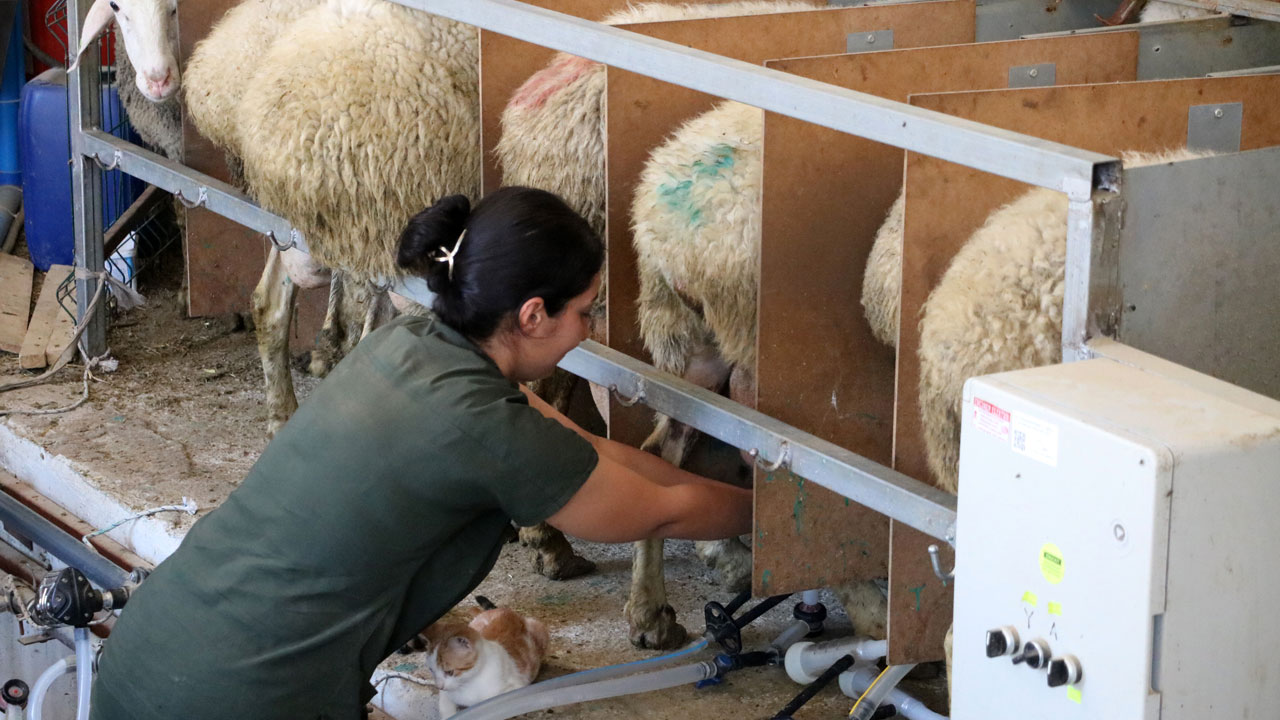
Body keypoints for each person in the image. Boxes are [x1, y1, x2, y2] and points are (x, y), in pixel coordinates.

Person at [89, 187, 753, 720]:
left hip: (149, 653)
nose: (592, 327)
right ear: (530, 317)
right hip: (248, 696)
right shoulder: (488, 428)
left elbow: (590, 450)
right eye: (586, 310)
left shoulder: (408, 344)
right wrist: (773, 512)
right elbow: (661, 513)